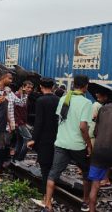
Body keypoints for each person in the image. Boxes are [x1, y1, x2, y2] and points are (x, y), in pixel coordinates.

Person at [42, 75, 92, 212]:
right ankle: (85, 202)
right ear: (85, 86)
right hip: (77, 145)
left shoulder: (64, 99)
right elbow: (83, 127)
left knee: (53, 174)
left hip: (61, 143)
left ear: (74, 84)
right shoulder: (86, 103)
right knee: (87, 173)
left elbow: (60, 119)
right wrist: (89, 144)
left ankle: (48, 205)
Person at [27, 78, 59, 208]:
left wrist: (33, 139)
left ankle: (46, 199)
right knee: (52, 167)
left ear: (40, 87)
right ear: (53, 87)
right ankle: (50, 197)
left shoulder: (40, 100)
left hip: (44, 139)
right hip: (56, 138)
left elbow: (38, 122)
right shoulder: (58, 100)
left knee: (45, 169)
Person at [88, 89, 112, 212]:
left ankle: (92, 209)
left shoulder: (102, 109)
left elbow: (95, 132)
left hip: (99, 150)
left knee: (95, 185)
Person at [14, 81, 34, 161]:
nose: (30, 89)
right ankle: (20, 158)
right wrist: (17, 122)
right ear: (23, 87)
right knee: (29, 138)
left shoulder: (25, 96)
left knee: (20, 140)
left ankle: (15, 158)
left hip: (22, 122)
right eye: (28, 87)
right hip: (19, 122)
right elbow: (13, 110)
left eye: (31, 88)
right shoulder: (17, 96)